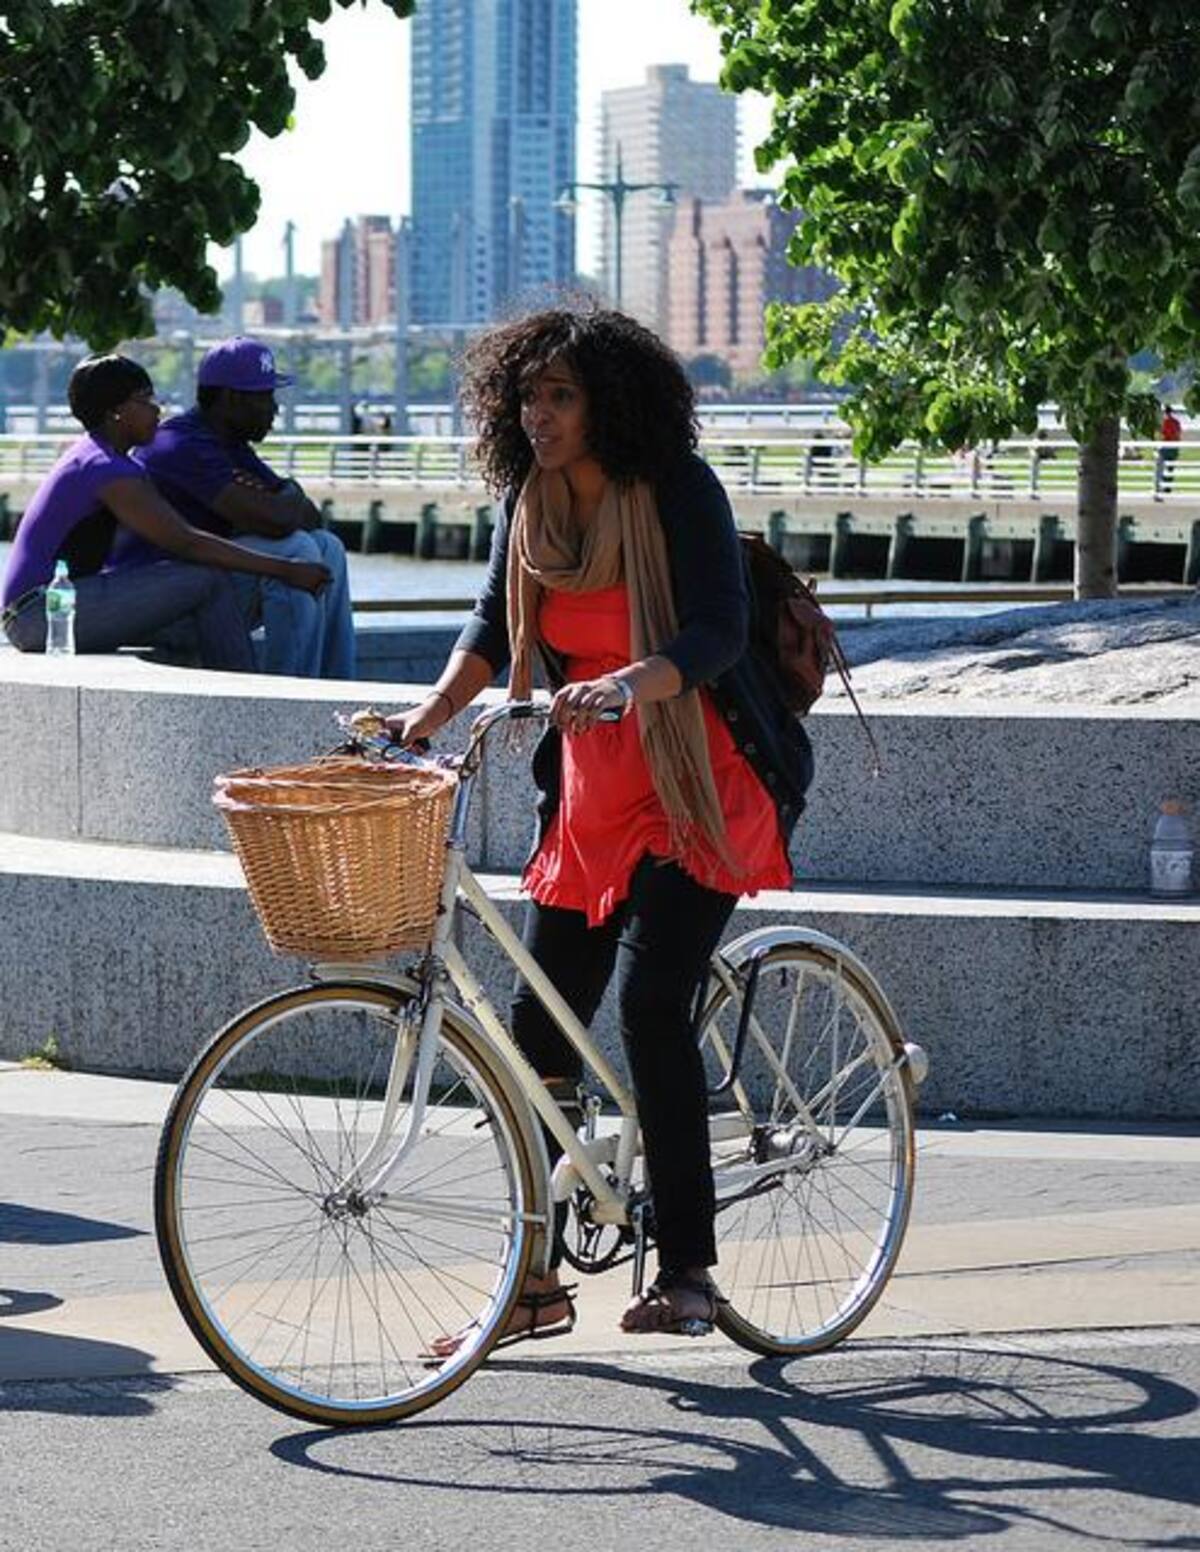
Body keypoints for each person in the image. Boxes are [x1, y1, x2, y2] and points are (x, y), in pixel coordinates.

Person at [385, 306, 813, 1347]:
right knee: (539, 1035)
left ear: (608, 405)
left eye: (561, 395)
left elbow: (713, 626)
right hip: (592, 789)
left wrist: (631, 680)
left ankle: (691, 1271)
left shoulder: (675, 490)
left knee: (652, 1007)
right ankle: (532, 1285)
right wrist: (424, 717)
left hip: (702, 777)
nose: (539, 414)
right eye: (527, 395)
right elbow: (490, 627)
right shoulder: (529, 503)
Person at [1, 355, 329, 666]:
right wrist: (285, 570)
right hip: (38, 615)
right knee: (207, 581)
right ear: (116, 411)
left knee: (202, 591)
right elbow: (186, 542)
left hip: (55, 607)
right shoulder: (106, 468)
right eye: (144, 400)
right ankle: (246, 697)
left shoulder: (104, 458)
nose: (156, 410)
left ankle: (233, 693)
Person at [136, 337, 357, 678]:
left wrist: (286, 491)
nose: (275, 409)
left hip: (207, 593)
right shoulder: (179, 444)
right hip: (165, 611)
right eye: (266, 397)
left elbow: (310, 517)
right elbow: (278, 519)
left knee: (328, 547)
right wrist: (281, 500)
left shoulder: (231, 444)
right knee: (297, 550)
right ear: (231, 399)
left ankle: (339, 694)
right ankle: (289, 703)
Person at [1159, 404, 1182, 494]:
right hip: (1174, 447)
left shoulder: (1164, 422)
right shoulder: (1176, 422)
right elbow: (1178, 434)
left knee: (1162, 467)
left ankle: (1163, 486)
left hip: (1166, 447)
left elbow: (1163, 434)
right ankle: (1168, 488)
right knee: (1170, 468)